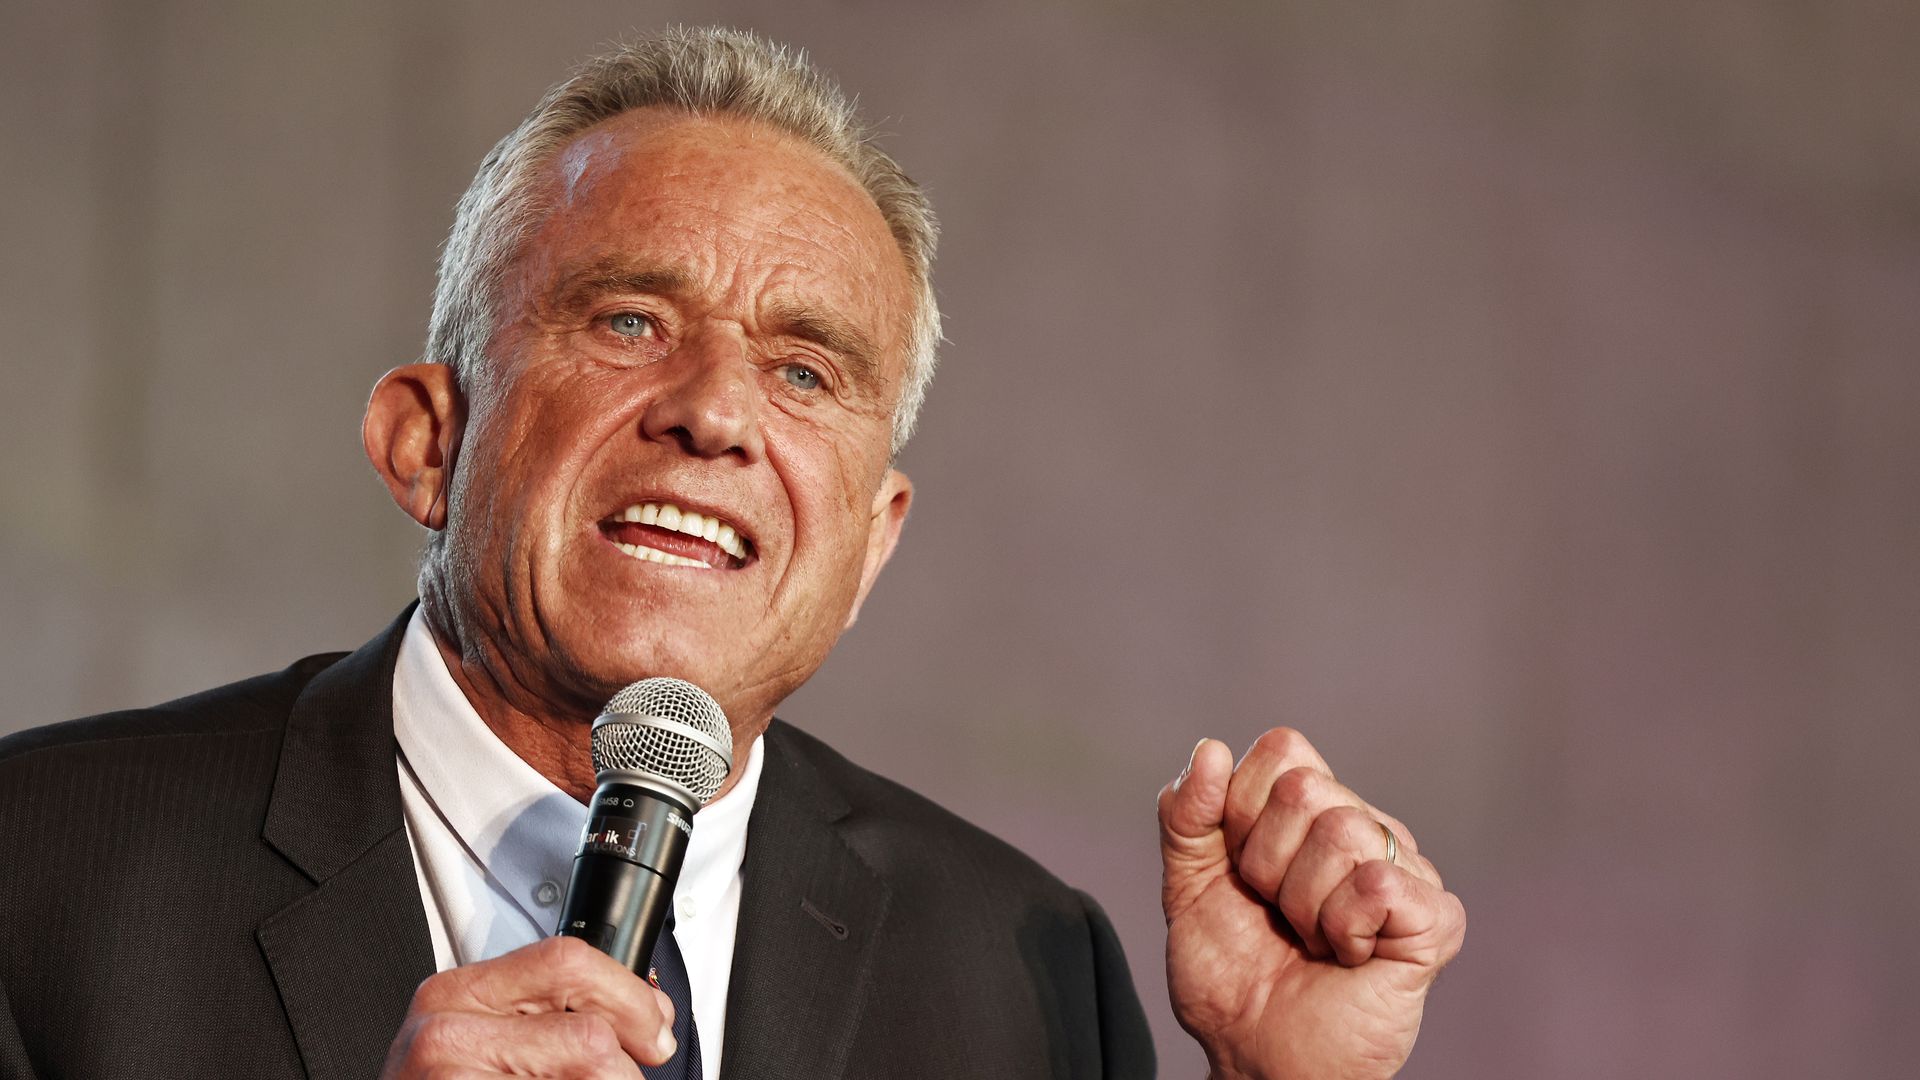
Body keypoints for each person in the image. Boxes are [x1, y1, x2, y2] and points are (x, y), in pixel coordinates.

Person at [0, 27, 1464, 1080]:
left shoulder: (1023, 971)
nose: (713, 413)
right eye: (629, 322)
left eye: (808, 372)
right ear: (425, 444)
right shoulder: (40, 872)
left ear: (872, 542)